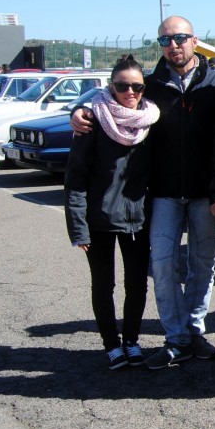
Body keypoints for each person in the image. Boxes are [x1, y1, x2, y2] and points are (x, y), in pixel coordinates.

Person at [71, 16, 215, 369]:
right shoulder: (150, 85)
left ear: (195, 41)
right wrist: (76, 109)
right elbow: (107, 93)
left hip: (205, 193)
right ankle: (175, 337)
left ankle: (195, 330)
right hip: (163, 194)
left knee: (203, 265)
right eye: (165, 40)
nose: (174, 45)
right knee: (164, 265)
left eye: (180, 37)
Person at [64, 55, 160, 369]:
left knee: (137, 285)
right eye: (122, 86)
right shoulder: (93, 121)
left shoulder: (149, 122)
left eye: (136, 86)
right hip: (98, 220)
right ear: (111, 86)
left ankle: (131, 340)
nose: (130, 92)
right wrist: (78, 228)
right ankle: (111, 344)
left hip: (137, 219)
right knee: (103, 285)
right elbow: (75, 177)